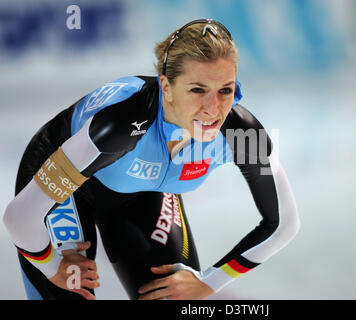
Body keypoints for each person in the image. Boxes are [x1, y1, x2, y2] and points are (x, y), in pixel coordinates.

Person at [3, 19, 300, 300]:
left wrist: (210, 282)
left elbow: (284, 223)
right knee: (69, 286)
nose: (214, 109)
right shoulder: (124, 125)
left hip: (142, 193)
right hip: (71, 187)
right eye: (198, 90)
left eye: (226, 90)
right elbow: (20, 218)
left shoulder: (241, 132)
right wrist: (51, 266)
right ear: (166, 88)